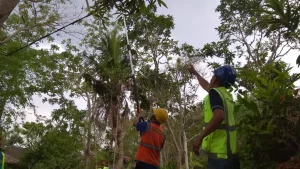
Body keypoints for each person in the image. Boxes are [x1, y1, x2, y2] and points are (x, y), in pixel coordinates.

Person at [188, 64, 240, 169]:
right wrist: (196, 73)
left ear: (216, 78)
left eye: (213, 75)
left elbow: (218, 117)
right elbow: (206, 85)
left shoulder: (215, 93)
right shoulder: (226, 95)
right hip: (231, 155)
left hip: (219, 157)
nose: (211, 78)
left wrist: (200, 138)